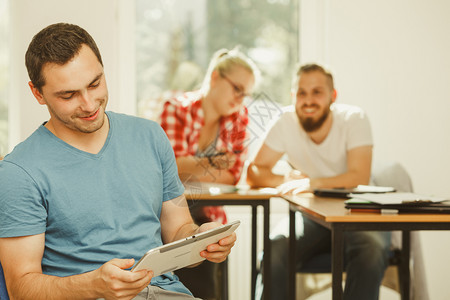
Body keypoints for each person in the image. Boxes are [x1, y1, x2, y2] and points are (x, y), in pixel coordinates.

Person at [0, 23, 236, 300]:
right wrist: (93, 285)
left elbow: (178, 230)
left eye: (95, 83)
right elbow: (21, 289)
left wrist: (202, 240)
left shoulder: (150, 137)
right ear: (37, 93)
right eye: (68, 95)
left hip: (166, 294)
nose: (89, 104)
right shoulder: (19, 171)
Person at [247, 63, 391, 300]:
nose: (308, 100)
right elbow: (253, 171)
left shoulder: (354, 119)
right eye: (301, 93)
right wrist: (286, 178)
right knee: (275, 249)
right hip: (312, 215)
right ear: (293, 97)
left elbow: (358, 177)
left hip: (359, 212)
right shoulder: (285, 121)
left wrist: (313, 183)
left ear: (332, 96)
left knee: (371, 250)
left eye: (317, 92)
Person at [159, 48, 259, 299]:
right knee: (192, 247)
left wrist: (189, 164)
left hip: (210, 211)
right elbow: (169, 168)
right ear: (215, 77)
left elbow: (233, 176)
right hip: (172, 209)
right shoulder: (176, 108)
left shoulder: (239, 118)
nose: (240, 99)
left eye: (245, 94)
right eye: (237, 88)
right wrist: (213, 163)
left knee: (214, 240)